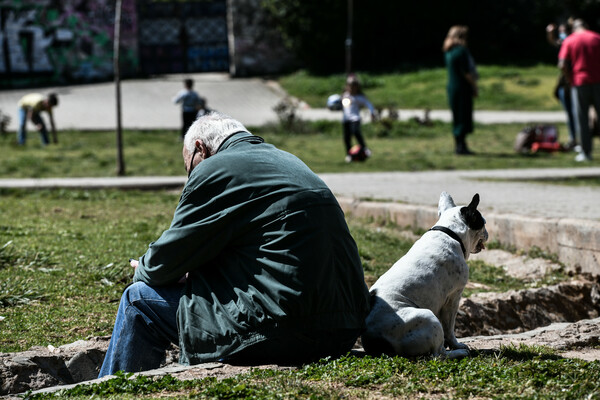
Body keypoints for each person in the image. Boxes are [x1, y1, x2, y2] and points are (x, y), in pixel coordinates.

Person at [98, 111, 371, 377]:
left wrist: (143, 268)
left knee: (138, 300)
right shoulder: (289, 161)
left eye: (189, 168)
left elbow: (159, 266)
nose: (191, 177)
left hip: (283, 329)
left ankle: (112, 391)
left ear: (200, 149)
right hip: (344, 327)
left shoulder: (216, 169)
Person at [558, 19, 600, 162]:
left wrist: (570, 80)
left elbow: (562, 64)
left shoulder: (570, 40)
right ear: (586, 26)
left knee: (581, 119)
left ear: (573, 28)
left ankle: (586, 153)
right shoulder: (596, 38)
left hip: (580, 82)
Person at [443, 25, 478, 155]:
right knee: (464, 116)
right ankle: (461, 146)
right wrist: (474, 85)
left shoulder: (448, 51)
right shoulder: (461, 51)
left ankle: (459, 144)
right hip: (462, 87)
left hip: (452, 87)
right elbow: (466, 72)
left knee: (457, 116)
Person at [546, 21, 577, 150]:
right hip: (565, 85)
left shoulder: (574, 44)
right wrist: (550, 32)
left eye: (564, 31)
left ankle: (579, 139)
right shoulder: (564, 44)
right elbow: (553, 41)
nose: (562, 34)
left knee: (577, 114)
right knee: (570, 114)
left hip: (575, 84)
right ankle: (573, 139)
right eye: (560, 31)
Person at [341, 74, 377, 162]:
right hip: (346, 119)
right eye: (350, 86)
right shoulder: (345, 95)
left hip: (355, 118)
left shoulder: (360, 97)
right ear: (347, 87)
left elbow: (369, 104)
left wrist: (372, 113)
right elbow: (338, 104)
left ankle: (365, 149)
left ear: (357, 88)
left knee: (356, 132)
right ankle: (349, 155)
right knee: (347, 138)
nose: (351, 89)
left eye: (354, 87)